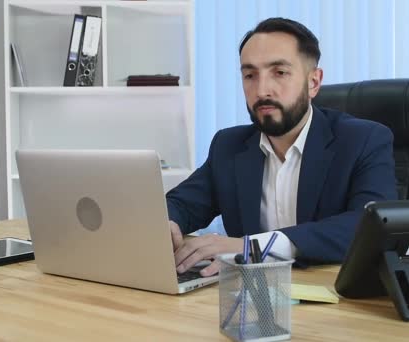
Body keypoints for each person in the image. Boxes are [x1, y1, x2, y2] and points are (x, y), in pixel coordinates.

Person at [167, 17, 397, 277]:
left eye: (280, 72)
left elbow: (369, 227)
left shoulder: (363, 140)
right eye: (250, 75)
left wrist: (252, 248)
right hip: (253, 300)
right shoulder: (229, 146)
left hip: (336, 299)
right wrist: (168, 223)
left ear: (314, 82)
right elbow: (181, 204)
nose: (262, 89)